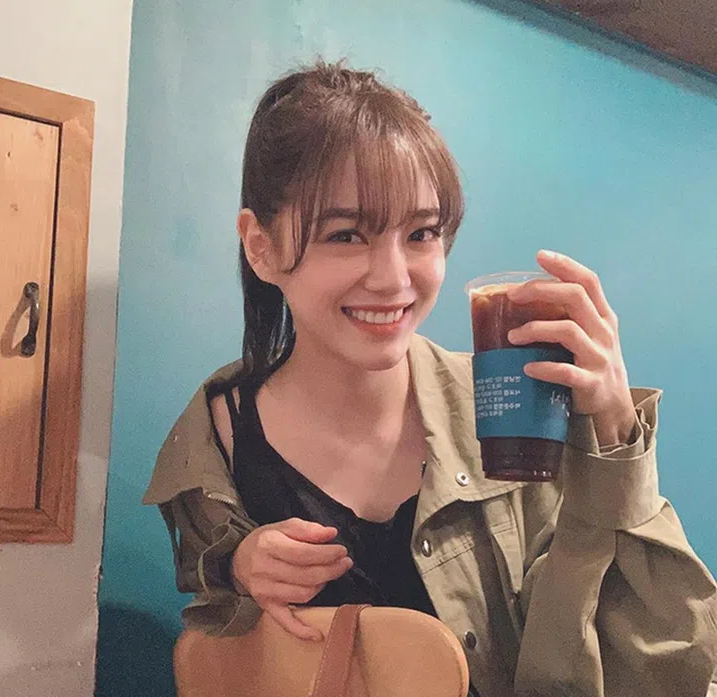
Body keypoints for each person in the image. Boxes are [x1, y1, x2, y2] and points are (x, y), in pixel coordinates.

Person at [143, 60, 717, 697]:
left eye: (421, 233)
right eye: (346, 235)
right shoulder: (217, 437)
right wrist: (238, 566)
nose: (393, 279)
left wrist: (613, 433)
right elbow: (223, 643)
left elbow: (662, 661)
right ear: (261, 246)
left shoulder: (512, 401)